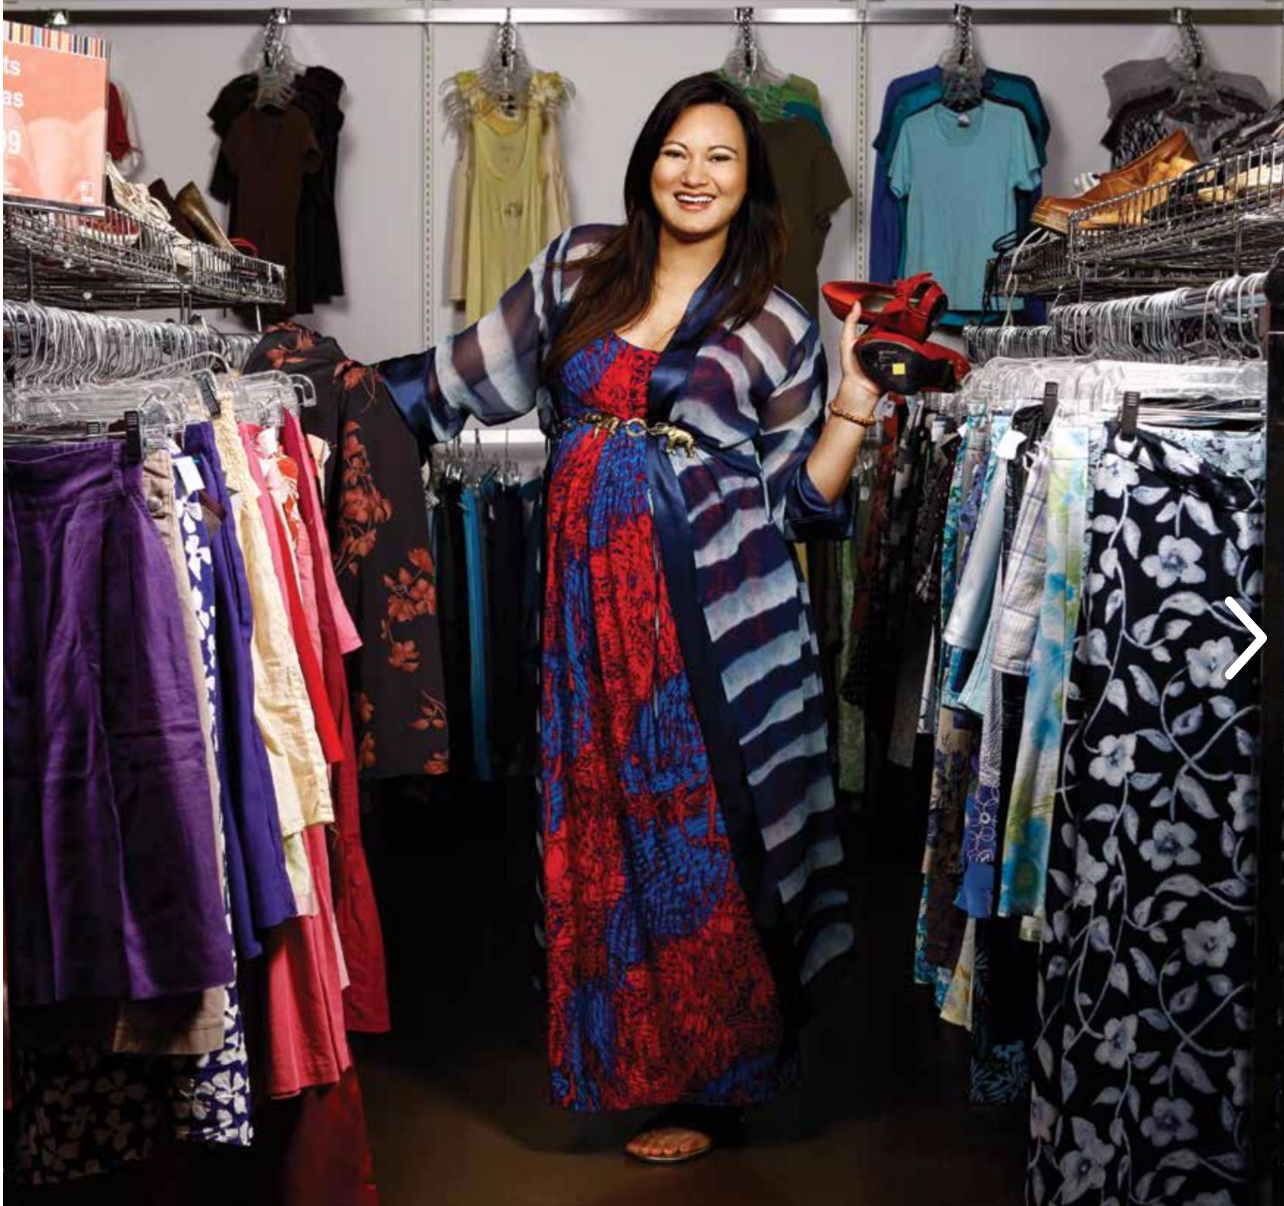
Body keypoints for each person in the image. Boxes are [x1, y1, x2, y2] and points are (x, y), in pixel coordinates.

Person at [378, 72, 880, 1164]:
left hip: (717, 624)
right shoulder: (578, 268)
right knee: (602, 832)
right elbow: (463, 378)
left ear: (750, 182)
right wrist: (330, 396)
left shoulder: (778, 320)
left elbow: (801, 503)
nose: (695, 176)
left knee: (702, 838)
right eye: (676, 152)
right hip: (584, 621)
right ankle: (629, 1062)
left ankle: (714, 1088)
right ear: (648, 162)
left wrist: (857, 399)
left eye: (721, 158)